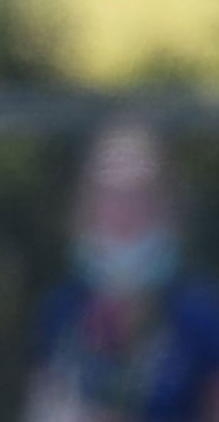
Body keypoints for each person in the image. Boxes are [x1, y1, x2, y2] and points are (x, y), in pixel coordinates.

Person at [23, 119, 219, 422]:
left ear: (169, 206)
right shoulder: (59, 311)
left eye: (140, 195)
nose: (123, 212)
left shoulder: (204, 314)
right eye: (107, 195)